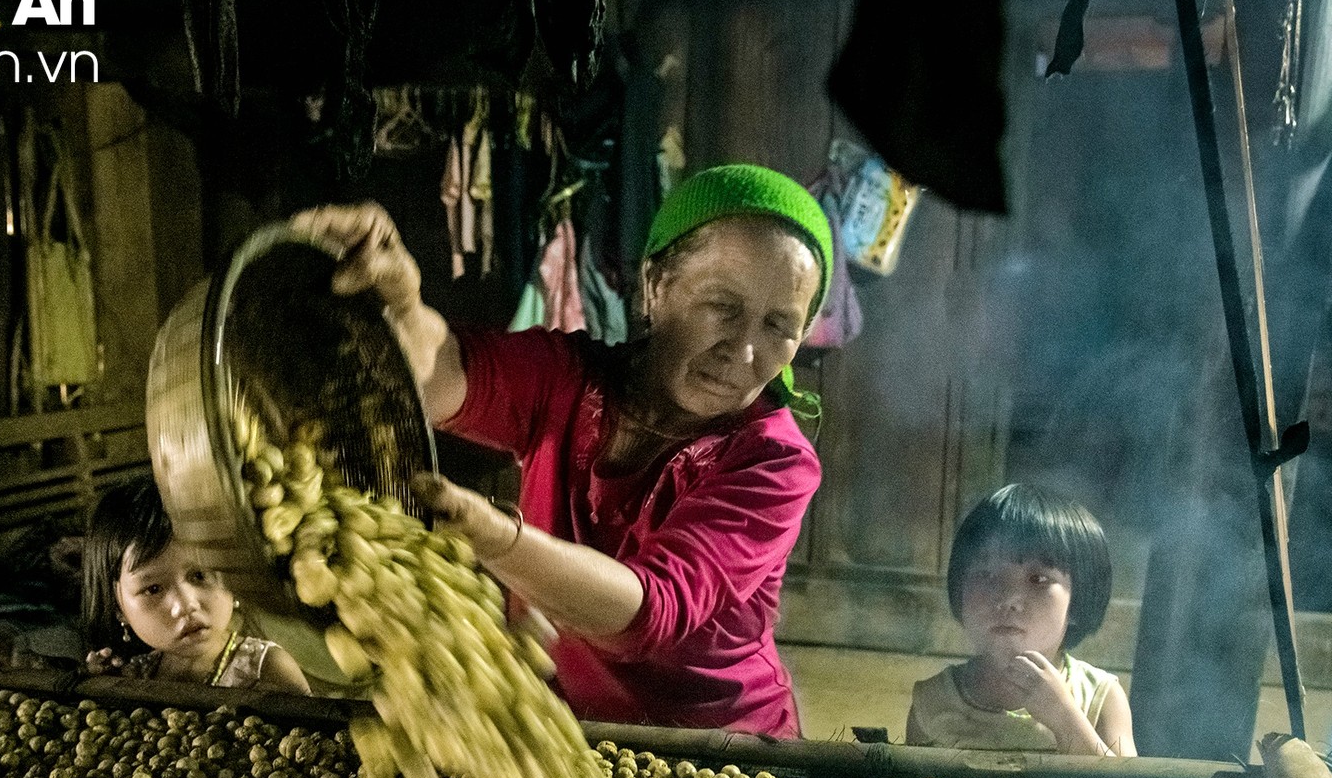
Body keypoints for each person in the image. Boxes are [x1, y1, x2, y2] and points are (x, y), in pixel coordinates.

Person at [290, 164, 833, 736]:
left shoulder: (774, 461)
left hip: (719, 750)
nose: (743, 351)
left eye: (779, 325)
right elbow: (439, 376)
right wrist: (401, 306)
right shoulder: (570, 380)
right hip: (569, 730)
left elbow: (648, 613)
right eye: (722, 307)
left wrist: (497, 540)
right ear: (656, 284)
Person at [906, 484, 1135, 756]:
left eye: (1038, 579)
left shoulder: (1100, 696)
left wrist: (1064, 718)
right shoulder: (933, 701)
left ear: (1078, 599)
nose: (1008, 599)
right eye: (987, 574)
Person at [80, 476, 310, 693]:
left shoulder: (267, 670)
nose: (186, 605)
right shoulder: (134, 676)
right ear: (119, 608)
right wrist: (101, 689)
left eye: (199, 575)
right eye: (153, 589)